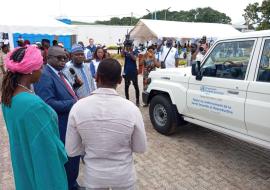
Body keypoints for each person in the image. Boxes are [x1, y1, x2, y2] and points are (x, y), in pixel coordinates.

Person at [65, 58, 147, 190]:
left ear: (96, 77)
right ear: (120, 80)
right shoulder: (132, 109)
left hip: (93, 178)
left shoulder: (78, 107)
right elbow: (140, 148)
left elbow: (71, 150)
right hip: (124, 178)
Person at [1, 45, 68, 190]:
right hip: (43, 170)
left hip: (23, 162)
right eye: (40, 67)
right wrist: (62, 149)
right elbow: (48, 149)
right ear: (31, 70)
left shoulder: (8, 98)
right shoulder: (34, 105)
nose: (42, 70)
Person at [34, 46, 81, 190]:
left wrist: (75, 88)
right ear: (48, 58)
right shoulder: (44, 75)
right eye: (59, 58)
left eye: (65, 58)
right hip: (61, 127)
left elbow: (63, 93)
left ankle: (73, 184)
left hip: (70, 124)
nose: (63, 61)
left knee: (73, 160)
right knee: (68, 161)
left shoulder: (60, 73)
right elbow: (48, 103)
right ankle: (69, 186)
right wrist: (74, 102)